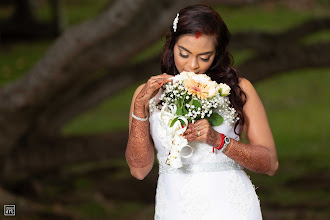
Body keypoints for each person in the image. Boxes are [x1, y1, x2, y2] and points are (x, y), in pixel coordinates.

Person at [126, 5, 278, 220]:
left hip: (231, 210)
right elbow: (139, 170)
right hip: (175, 209)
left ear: (217, 54)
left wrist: (219, 140)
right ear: (171, 46)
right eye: (184, 54)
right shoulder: (147, 94)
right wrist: (139, 109)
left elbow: (270, 164)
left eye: (204, 57)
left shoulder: (237, 90)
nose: (192, 65)